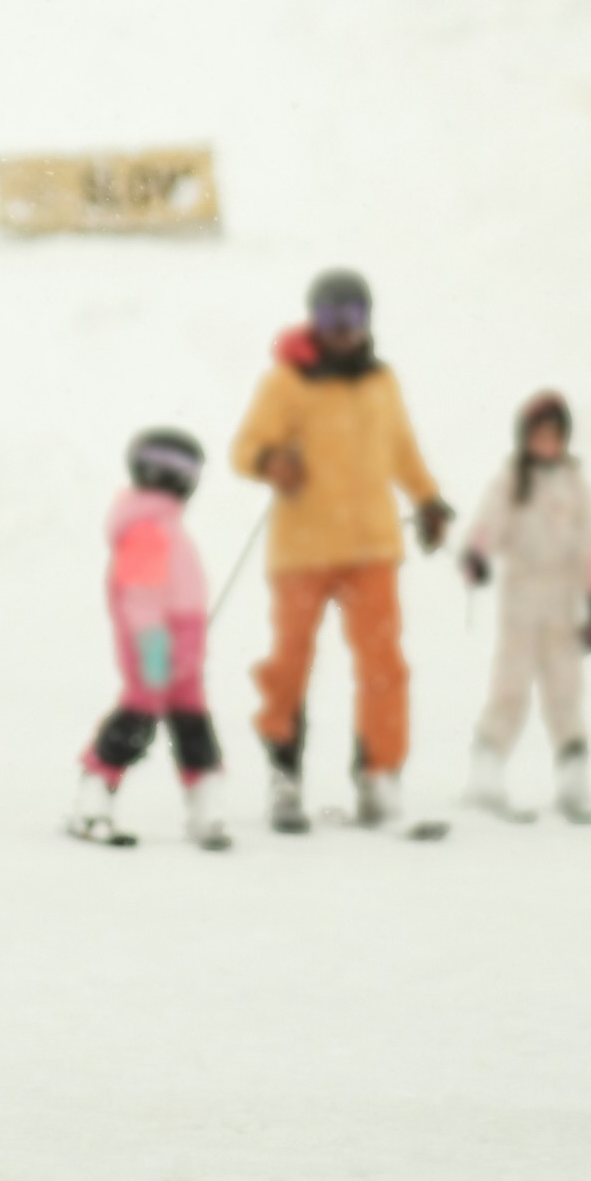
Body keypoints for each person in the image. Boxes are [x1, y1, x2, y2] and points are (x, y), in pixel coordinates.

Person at [231, 271, 452, 833]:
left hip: (371, 546)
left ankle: (379, 775)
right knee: (290, 664)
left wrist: (427, 499)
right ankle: (284, 772)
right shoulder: (289, 382)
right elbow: (246, 448)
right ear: (314, 322)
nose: (343, 332)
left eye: (352, 318)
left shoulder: (382, 381)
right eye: (331, 320)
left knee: (384, 664)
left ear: (367, 321)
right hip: (302, 548)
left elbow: (402, 448)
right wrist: (270, 462)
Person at [67, 427, 231, 850]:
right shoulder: (147, 527)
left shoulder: (162, 523)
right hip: (155, 644)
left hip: (181, 640)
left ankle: (205, 804)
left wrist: (188, 640)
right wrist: (156, 651)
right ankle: (95, 791)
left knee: (191, 715)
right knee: (142, 709)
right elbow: (140, 598)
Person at [460, 389, 591, 824]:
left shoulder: (575, 486)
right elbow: (489, 520)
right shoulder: (513, 480)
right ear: (525, 438)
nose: (546, 443)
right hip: (522, 592)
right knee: (512, 682)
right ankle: (487, 766)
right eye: (538, 435)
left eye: (553, 435)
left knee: (565, 687)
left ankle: (573, 772)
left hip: (562, 597)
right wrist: (477, 554)